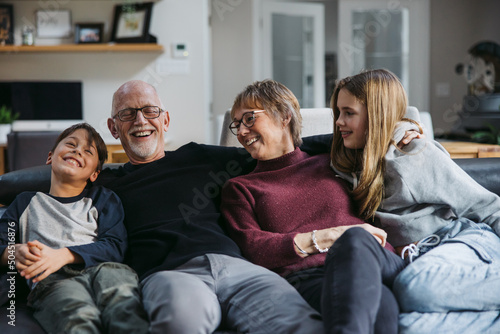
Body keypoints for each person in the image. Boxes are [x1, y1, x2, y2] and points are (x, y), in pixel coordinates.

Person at [96, 80, 323, 333]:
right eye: (127, 114)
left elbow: (284, 149)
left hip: (239, 269)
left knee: (302, 324)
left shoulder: (200, 157)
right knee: (182, 323)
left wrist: (353, 138)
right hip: (172, 274)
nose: (140, 120)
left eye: (150, 111)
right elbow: (61, 187)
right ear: (113, 128)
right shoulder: (105, 186)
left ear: (165, 120)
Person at [220, 79, 406, 334]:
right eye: (237, 124)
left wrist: (405, 129)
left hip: (374, 256)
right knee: (383, 308)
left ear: (285, 116)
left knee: (353, 241)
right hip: (310, 277)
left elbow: (373, 132)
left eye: (249, 119)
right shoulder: (241, 188)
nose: (241, 132)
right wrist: (328, 237)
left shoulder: (334, 160)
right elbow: (254, 248)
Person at [329, 69, 500, 333]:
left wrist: (404, 127)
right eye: (337, 113)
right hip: (422, 258)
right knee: (408, 326)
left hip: (462, 242)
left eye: (348, 113)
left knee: (413, 288)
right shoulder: (348, 161)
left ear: (377, 115)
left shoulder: (412, 154)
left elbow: (487, 207)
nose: (339, 121)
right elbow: (304, 145)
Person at [0, 123, 149, 334]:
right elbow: (2, 245)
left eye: (88, 151)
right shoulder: (24, 202)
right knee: (77, 319)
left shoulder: (103, 199)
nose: (77, 150)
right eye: (71, 144)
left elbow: (115, 246)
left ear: (94, 174)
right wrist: (15, 252)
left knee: (124, 309)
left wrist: (65, 255)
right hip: (54, 280)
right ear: (50, 157)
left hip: (105, 271)